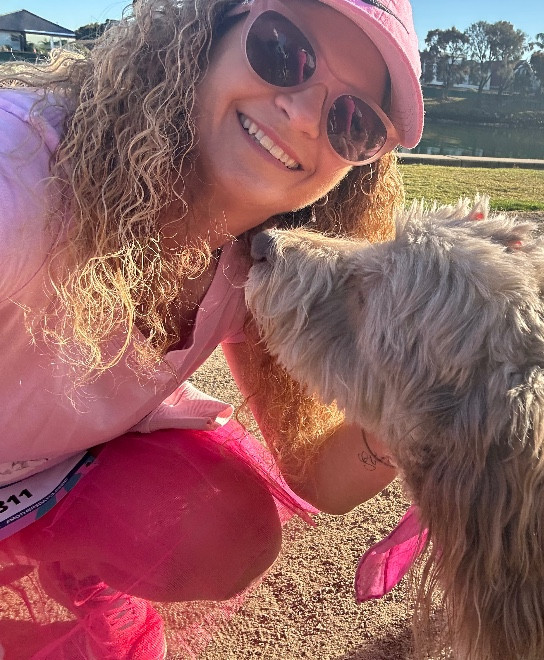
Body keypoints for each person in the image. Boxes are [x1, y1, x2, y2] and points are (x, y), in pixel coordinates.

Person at [0, 0, 423, 656]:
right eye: (283, 52)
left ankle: (71, 564)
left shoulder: (261, 260)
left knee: (225, 529)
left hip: (48, 470)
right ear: (211, 28)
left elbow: (320, 476)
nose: (304, 115)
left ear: (357, 168)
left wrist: (424, 395)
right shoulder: (22, 180)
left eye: (353, 121)